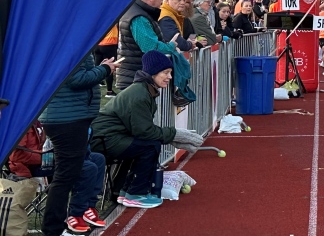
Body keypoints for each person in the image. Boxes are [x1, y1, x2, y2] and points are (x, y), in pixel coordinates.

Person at [91, 51, 205, 209]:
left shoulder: (144, 90)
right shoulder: (140, 94)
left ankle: (124, 191)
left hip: (108, 137)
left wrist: (172, 136)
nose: (170, 77)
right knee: (150, 146)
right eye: (166, 73)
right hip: (104, 140)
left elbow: (143, 130)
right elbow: (144, 131)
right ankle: (136, 193)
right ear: (152, 73)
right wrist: (174, 134)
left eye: (170, 73)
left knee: (146, 144)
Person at [39, 52, 117, 235]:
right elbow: (76, 79)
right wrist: (104, 69)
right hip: (67, 120)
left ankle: (75, 215)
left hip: (70, 118)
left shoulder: (72, 44)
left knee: (77, 169)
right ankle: (54, 228)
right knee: (66, 176)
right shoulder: (72, 45)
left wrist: (100, 68)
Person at [94, 26, 119, 97]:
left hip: (98, 44)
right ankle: (109, 91)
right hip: (109, 44)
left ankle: (98, 83)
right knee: (110, 67)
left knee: (97, 64)